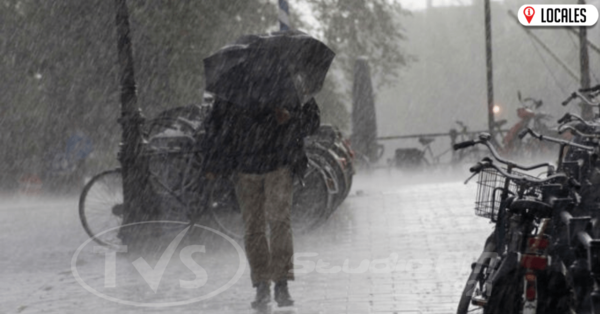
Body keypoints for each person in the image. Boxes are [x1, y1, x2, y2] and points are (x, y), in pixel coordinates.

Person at [201, 96, 320, 309]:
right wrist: (213, 162)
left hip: (279, 164)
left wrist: (290, 118)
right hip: (245, 167)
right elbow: (216, 126)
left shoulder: (289, 84)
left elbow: (312, 122)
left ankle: (281, 283)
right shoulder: (234, 87)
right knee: (254, 227)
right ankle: (262, 285)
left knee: (279, 223)